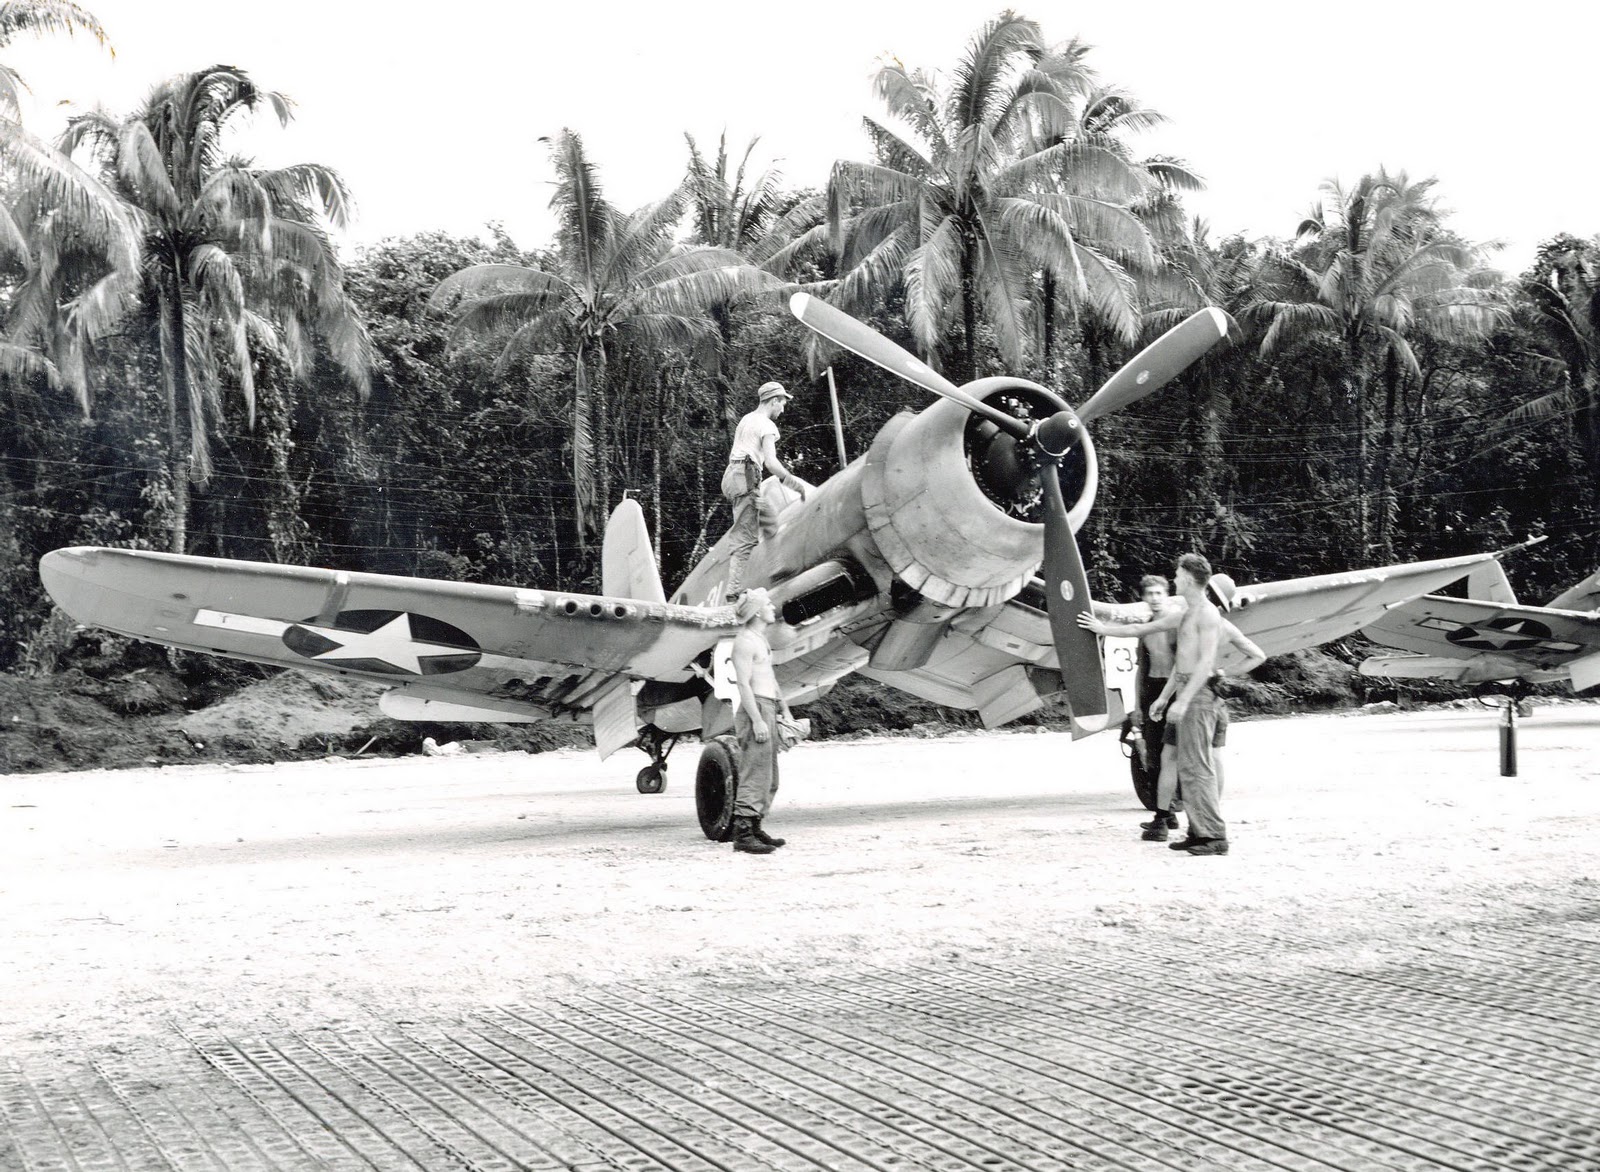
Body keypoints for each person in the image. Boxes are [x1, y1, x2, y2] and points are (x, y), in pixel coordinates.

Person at [1081, 555, 1264, 855]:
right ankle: (1198, 831)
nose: (1175, 579)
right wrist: (1101, 628)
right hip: (1189, 693)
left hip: (1199, 697)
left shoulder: (1206, 614)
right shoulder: (1186, 614)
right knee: (1188, 766)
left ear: (1190, 579)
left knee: (1198, 767)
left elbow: (1204, 663)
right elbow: (1141, 631)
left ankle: (1214, 837)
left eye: (1178, 575)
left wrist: (1184, 700)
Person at [1090, 575, 1186, 841]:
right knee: (1153, 754)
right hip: (1152, 690)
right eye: (1149, 594)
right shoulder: (1147, 626)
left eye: (1159, 593)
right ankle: (1166, 813)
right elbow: (1141, 668)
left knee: (1172, 755)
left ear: (1166, 594)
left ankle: (1163, 816)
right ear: (1143, 598)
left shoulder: (1174, 623)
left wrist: (1102, 628)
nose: (1154, 598)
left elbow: (1182, 664)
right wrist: (1137, 705)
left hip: (1174, 691)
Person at [721, 381, 809, 601]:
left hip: (737, 475)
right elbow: (771, 462)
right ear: (773, 401)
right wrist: (793, 483)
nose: (783, 408)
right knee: (745, 537)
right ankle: (732, 594)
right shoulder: (768, 426)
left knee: (769, 520)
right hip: (746, 476)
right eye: (782, 403)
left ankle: (777, 568)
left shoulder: (747, 419)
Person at [728, 587, 792, 855]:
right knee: (754, 773)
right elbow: (743, 684)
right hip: (755, 707)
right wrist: (756, 720)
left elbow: (771, 680)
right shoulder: (743, 642)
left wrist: (784, 710)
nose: (772, 607)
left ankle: (754, 827)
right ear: (756, 612)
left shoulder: (759, 639)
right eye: (767, 604)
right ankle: (743, 834)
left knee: (768, 775)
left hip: (767, 706)